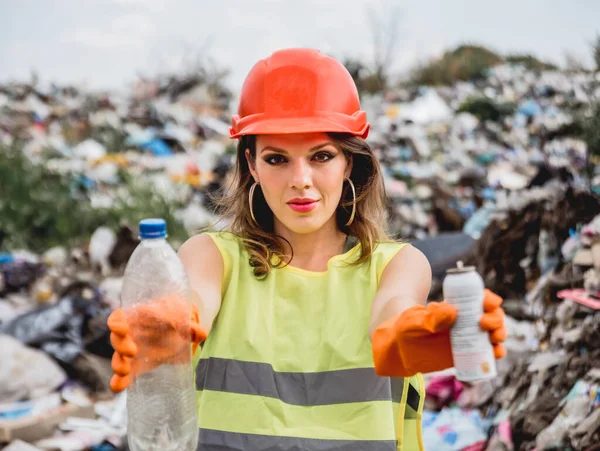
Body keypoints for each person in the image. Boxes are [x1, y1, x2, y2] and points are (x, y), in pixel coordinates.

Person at [107, 48, 507, 451]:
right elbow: (191, 305)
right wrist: (165, 329)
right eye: (277, 158)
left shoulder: (396, 265)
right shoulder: (213, 255)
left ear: (348, 163)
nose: (301, 180)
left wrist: (413, 338)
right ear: (251, 165)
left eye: (321, 156)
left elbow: (394, 317)